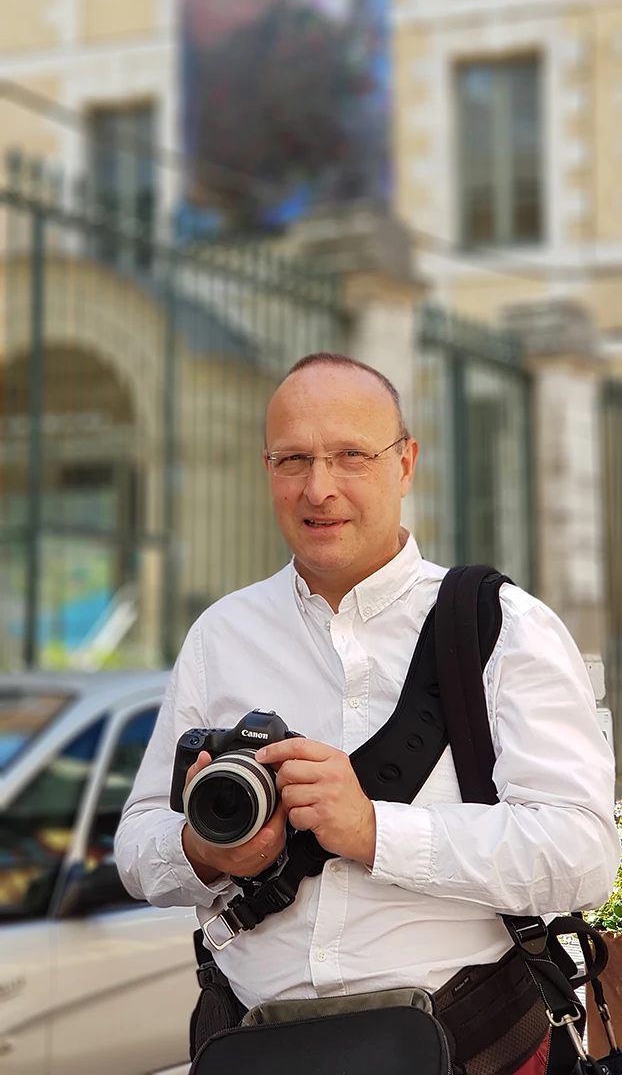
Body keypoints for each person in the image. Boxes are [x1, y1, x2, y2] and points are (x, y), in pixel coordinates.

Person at [115, 353, 618, 1062]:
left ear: (405, 463)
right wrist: (202, 851)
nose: (319, 488)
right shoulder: (220, 636)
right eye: (293, 458)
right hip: (255, 1049)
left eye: (351, 454)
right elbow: (137, 846)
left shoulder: (505, 627)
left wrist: (373, 829)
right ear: (268, 470)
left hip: (477, 1050)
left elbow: (583, 857)